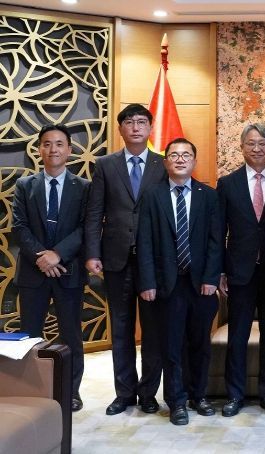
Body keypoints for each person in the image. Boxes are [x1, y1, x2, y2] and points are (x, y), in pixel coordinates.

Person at [84, 104, 167, 415]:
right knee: (120, 329)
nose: (135, 127)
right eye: (129, 122)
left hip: (153, 262)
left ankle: (148, 393)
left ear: (150, 128)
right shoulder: (105, 165)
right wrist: (93, 252)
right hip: (115, 259)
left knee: (153, 331)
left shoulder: (163, 164)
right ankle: (124, 393)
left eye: (141, 122)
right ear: (120, 129)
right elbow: (94, 212)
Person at [137, 138, 223, 425]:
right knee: (171, 346)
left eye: (186, 155)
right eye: (174, 155)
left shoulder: (208, 196)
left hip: (201, 285)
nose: (180, 159)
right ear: (166, 162)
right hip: (167, 285)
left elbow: (216, 241)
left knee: (200, 343)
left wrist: (211, 278)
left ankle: (199, 395)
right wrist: (147, 281)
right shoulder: (152, 195)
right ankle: (176, 401)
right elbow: (145, 241)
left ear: (194, 161)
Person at [217, 123, 265, 418]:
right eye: (251, 143)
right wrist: (221, 271)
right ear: (242, 147)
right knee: (237, 334)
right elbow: (218, 231)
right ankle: (235, 395)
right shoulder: (228, 183)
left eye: (262, 143)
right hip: (239, 271)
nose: (257, 148)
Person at [12, 123, 90, 412]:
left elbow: (86, 228)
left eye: (59, 144)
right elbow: (19, 226)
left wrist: (58, 255)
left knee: (71, 336)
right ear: (39, 149)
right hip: (33, 273)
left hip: (69, 272)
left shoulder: (84, 187)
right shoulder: (25, 185)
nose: (53, 149)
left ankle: (71, 392)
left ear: (69, 150)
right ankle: (31, 392)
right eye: (47, 144)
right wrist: (42, 259)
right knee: (30, 336)